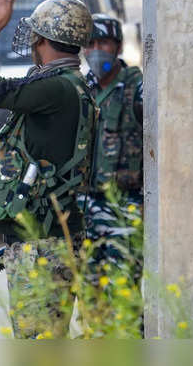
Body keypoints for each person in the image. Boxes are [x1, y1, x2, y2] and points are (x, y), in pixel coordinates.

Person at [0, 0, 96, 338]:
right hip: (52, 239)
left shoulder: (54, 88)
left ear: (43, 41)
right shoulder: (71, 85)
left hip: (42, 245)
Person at [79, 14, 143, 283]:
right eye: (89, 43)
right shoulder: (81, 89)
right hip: (85, 209)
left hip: (124, 206)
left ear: (117, 47)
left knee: (123, 290)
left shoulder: (137, 87)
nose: (95, 50)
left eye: (102, 43)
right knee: (90, 298)